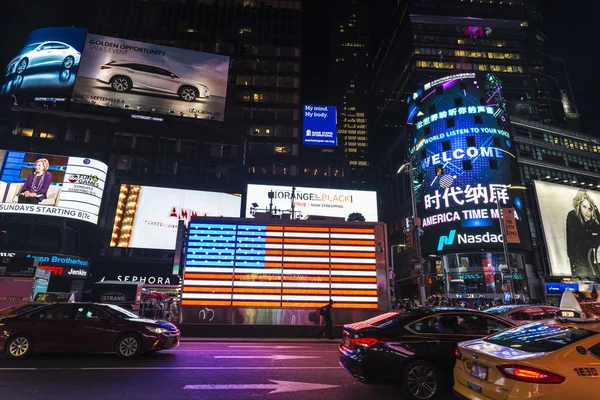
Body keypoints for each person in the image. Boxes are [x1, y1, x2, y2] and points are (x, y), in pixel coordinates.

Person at [566, 189, 600, 277]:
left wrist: (596, 213)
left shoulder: (593, 219)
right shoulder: (573, 216)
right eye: (584, 207)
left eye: (590, 208)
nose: (587, 211)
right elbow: (585, 240)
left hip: (593, 261)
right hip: (578, 263)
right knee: (584, 288)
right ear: (579, 206)